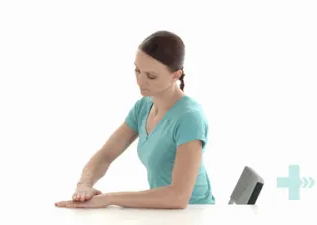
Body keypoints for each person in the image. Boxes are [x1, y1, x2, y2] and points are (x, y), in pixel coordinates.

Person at [55, 30, 215, 209]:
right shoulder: (144, 106)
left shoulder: (189, 118)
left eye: (151, 76)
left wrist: (109, 198)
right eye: (137, 71)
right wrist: (84, 185)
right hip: (165, 214)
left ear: (175, 76)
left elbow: (178, 197)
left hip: (196, 214)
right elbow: (105, 155)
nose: (140, 81)